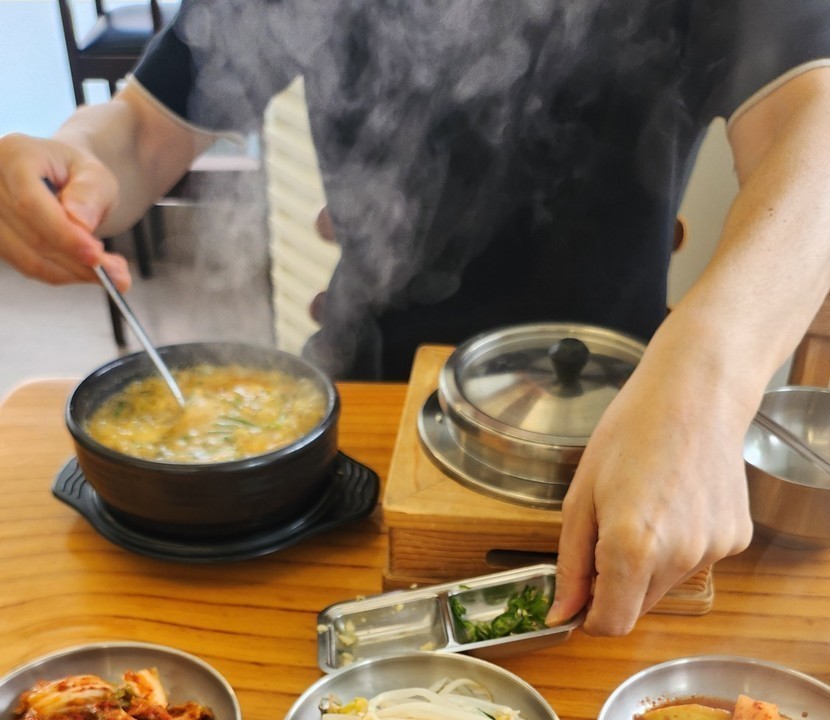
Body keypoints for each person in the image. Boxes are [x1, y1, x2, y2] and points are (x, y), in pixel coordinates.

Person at [0, 0, 828, 636]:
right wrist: (78, 158)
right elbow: (143, 129)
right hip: (363, 416)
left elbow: (815, 120)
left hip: (630, 438)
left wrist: (708, 379)